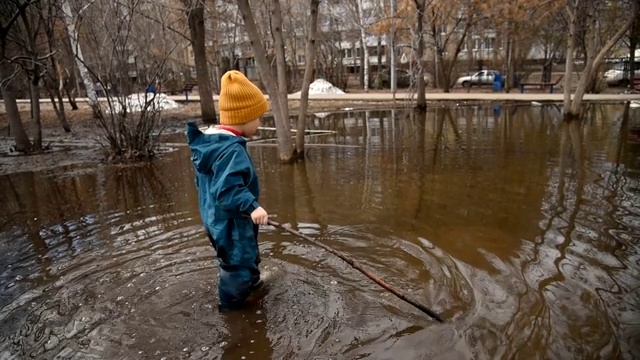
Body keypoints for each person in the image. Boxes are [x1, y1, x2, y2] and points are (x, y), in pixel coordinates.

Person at [186, 70, 270, 311]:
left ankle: (251, 286)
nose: (259, 123)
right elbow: (227, 190)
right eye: (258, 117)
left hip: (215, 220)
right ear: (244, 117)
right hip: (230, 223)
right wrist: (252, 206)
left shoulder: (210, 145)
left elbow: (204, 185)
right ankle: (232, 310)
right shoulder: (231, 150)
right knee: (238, 266)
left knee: (242, 259)